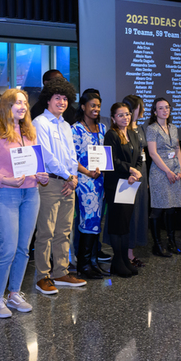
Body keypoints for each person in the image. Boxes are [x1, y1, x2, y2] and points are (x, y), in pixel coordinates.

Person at [0, 88, 49, 318]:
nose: (22, 107)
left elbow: (37, 165)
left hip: (31, 194)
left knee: (22, 249)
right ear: (6, 106)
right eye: (17, 102)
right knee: (8, 248)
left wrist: (42, 175)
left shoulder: (29, 131)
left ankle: (14, 293)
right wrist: (6, 180)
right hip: (6, 195)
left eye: (25, 103)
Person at [32, 77, 87, 294]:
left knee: (64, 231)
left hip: (67, 183)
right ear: (48, 100)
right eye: (57, 98)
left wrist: (73, 178)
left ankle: (61, 272)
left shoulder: (65, 125)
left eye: (65, 99)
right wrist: (68, 177)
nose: (62, 102)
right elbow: (47, 156)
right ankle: (42, 276)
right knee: (46, 231)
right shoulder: (39, 123)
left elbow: (71, 156)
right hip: (50, 184)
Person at [103, 102, 144, 277]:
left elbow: (140, 158)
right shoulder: (111, 135)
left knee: (126, 223)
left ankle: (125, 260)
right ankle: (117, 261)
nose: (125, 118)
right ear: (113, 118)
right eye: (120, 115)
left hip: (130, 184)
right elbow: (111, 160)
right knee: (116, 224)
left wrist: (136, 172)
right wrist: (130, 169)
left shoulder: (133, 134)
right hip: (115, 185)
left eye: (127, 114)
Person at [72, 92, 108, 279]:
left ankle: (93, 262)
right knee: (89, 219)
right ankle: (83, 265)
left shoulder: (102, 128)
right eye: (92, 105)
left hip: (100, 180)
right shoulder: (76, 129)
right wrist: (87, 172)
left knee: (97, 220)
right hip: (85, 181)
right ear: (83, 106)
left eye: (98, 106)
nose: (95, 109)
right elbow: (72, 158)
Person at [146, 96, 181, 257]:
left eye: (167, 107)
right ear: (155, 112)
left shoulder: (174, 128)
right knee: (158, 209)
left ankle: (172, 242)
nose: (165, 110)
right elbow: (152, 153)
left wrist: (179, 169)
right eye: (161, 108)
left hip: (175, 172)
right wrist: (168, 172)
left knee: (170, 210)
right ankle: (157, 244)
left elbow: (177, 149)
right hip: (160, 173)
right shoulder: (152, 129)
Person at [125, 95, 150, 267]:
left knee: (140, 211)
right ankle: (126, 254)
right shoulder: (123, 129)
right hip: (130, 175)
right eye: (141, 107)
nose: (143, 110)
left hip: (143, 172)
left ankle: (131, 253)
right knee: (130, 214)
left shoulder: (140, 128)